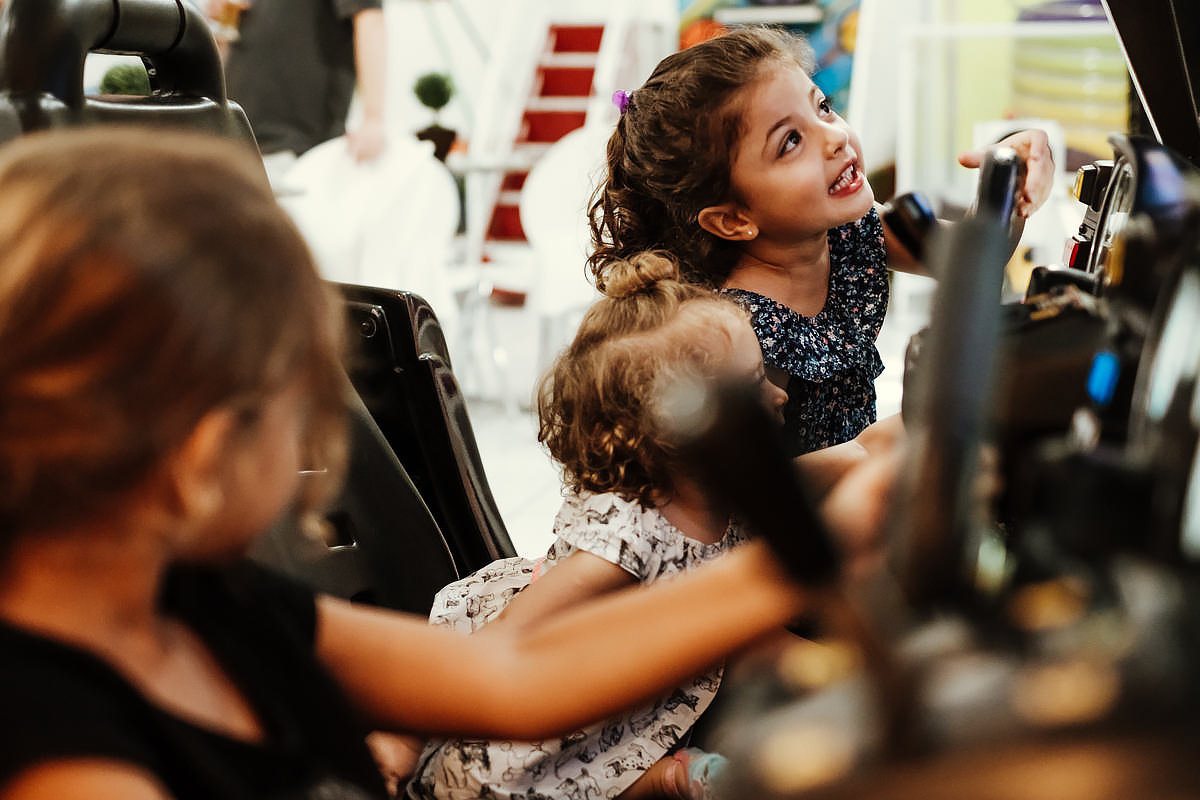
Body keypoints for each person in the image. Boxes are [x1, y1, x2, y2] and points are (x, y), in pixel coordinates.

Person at [0, 126, 890, 800]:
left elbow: (514, 677)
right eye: (304, 408)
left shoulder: (200, 605)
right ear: (204, 462)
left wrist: (805, 552)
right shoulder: (72, 760)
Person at [405, 253, 789, 800]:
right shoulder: (622, 546)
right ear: (676, 432)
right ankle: (669, 780)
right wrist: (401, 733)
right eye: (750, 387)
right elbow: (490, 649)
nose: (778, 396)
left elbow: (747, 627)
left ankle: (667, 774)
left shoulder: (729, 498)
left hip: (631, 703)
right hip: (535, 717)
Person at [590, 26, 1055, 460]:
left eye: (824, 107)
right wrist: (917, 431)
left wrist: (1010, 185)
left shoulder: (852, 233)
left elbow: (976, 261)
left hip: (870, 488)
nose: (834, 138)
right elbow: (764, 489)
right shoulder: (733, 328)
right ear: (732, 219)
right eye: (790, 141)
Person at [210, 0, 388, 179]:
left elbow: (369, 18)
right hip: (233, 142)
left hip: (295, 150)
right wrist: (217, 23)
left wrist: (373, 118)